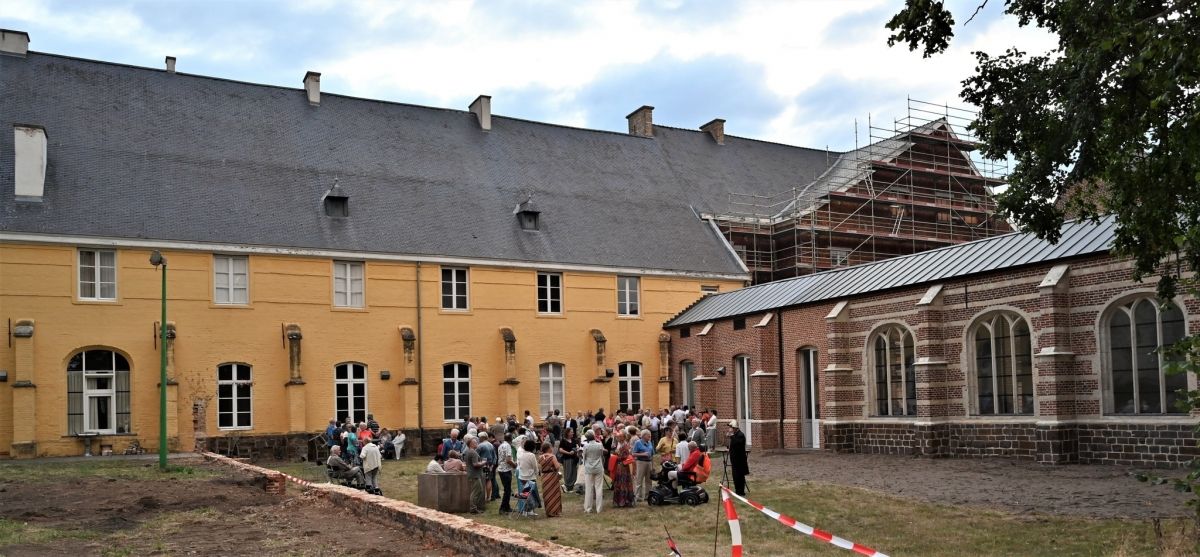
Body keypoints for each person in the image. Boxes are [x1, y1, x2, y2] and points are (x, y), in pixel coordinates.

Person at [581, 431, 605, 514]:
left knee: (589, 488)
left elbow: (584, 456)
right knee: (599, 488)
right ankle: (599, 508)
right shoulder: (599, 445)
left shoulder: (586, 446)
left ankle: (588, 508)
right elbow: (601, 455)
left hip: (589, 468)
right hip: (598, 467)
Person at [538, 441, 562, 517]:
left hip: (544, 476)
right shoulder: (552, 456)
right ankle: (554, 511)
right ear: (548, 448)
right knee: (554, 494)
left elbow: (540, 467)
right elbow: (557, 466)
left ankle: (548, 511)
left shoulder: (540, 457)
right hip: (552, 476)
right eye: (551, 447)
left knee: (547, 494)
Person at [516, 439, 540, 516]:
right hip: (530, 477)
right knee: (531, 494)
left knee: (526, 493)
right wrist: (537, 473)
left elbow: (519, 464)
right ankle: (529, 510)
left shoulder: (521, 454)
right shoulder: (531, 455)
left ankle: (526, 510)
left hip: (522, 477)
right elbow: (535, 467)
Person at [611, 431, 635, 507]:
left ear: (623, 437)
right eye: (618, 436)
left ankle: (624, 501)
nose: (618, 438)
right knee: (620, 482)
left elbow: (624, 456)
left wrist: (615, 455)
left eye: (620, 436)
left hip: (623, 466)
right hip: (620, 466)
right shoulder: (620, 444)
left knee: (623, 482)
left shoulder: (625, 445)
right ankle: (620, 501)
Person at [464, 437, 486, 513]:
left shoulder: (468, 451)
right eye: (475, 442)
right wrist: (483, 462)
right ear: (471, 444)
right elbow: (475, 464)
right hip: (474, 475)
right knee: (476, 491)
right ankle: (473, 508)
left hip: (472, 474)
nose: (477, 443)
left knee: (478, 490)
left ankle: (474, 508)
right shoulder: (473, 452)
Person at [728, 420, 749, 496]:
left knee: (739, 475)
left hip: (739, 460)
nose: (730, 429)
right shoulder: (735, 435)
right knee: (735, 476)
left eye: (731, 427)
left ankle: (741, 491)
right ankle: (737, 490)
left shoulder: (740, 435)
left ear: (734, 428)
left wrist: (731, 436)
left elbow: (737, 443)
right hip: (734, 459)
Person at [632, 429, 654, 502]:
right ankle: (638, 496)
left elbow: (652, 454)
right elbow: (633, 453)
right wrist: (643, 454)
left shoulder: (650, 442)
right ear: (644, 435)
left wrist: (652, 465)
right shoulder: (638, 443)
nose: (650, 436)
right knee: (639, 479)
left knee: (649, 480)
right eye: (648, 435)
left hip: (649, 462)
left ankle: (648, 496)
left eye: (650, 435)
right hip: (641, 462)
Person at [496, 433, 515, 514]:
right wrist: (514, 465)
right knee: (507, 490)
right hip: (505, 470)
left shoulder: (501, 445)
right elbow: (508, 459)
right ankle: (502, 508)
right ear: (511, 439)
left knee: (507, 489)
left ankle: (507, 507)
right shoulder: (508, 446)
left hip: (501, 469)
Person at [477, 431, 496, 501]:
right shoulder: (491, 445)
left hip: (482, 465)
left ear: (482, 437)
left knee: (482, 481)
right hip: (490, 465)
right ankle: (488, 497)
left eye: (479, 437)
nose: (478, 438)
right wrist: (492, 465)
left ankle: (482, 497)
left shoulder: (480, 445)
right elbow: (495, 456)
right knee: (488, 480)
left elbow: (476, 455)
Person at [558, 428, 579, 492]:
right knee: (568, 473)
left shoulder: (573, 440)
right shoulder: (563, 441)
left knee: (574, 473)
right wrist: (568, 453)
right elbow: (560, 450)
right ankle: (566, 486)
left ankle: (571, 486)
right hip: (567, 459)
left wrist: (575, 450)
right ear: (567, 433)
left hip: (574, 459)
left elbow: (577, 447)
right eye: (571, 432)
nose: (573, 433)